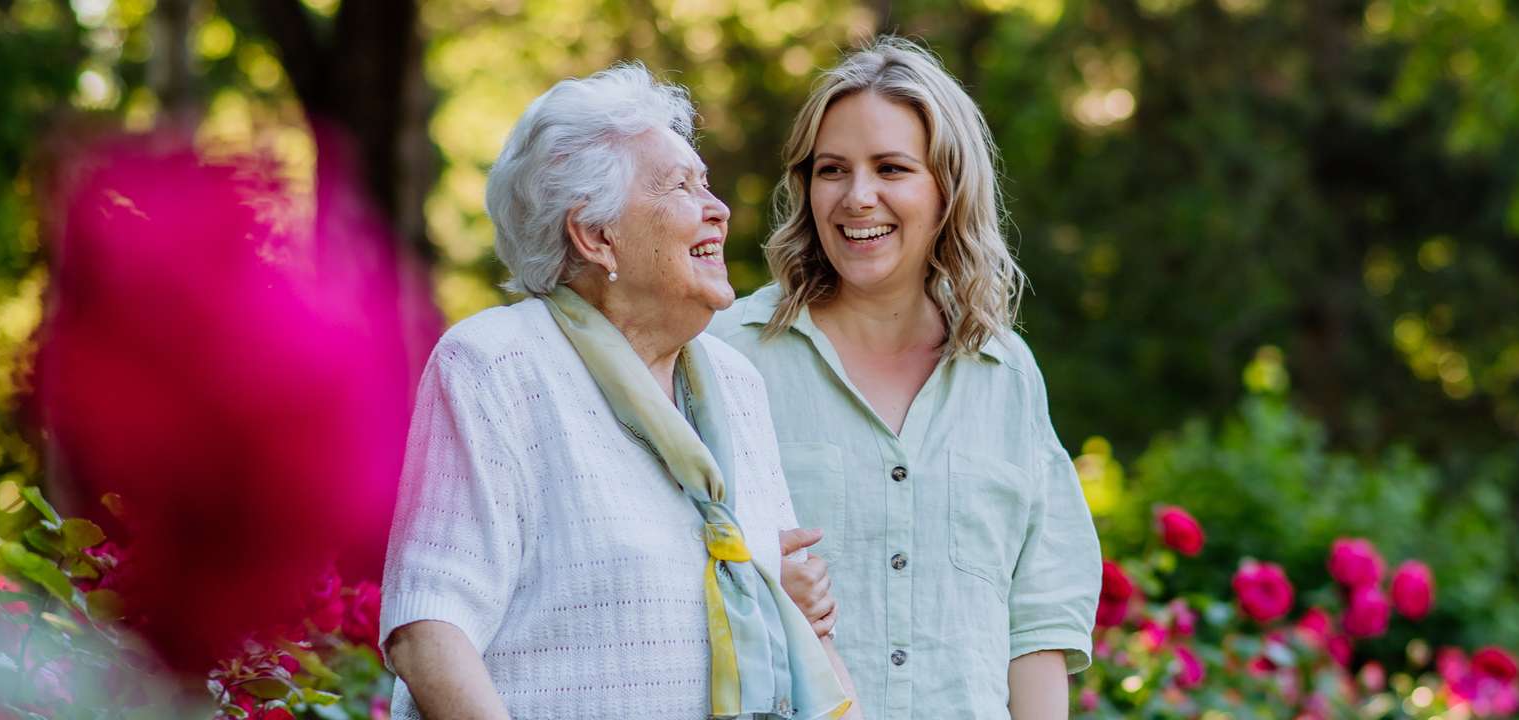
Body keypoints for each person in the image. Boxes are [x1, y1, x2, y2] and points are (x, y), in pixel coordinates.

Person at [379, 62, 856, 720]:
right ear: (596, 235)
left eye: (707, 184)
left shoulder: (735, 383)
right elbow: (428, 632)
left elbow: (798, 627)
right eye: (683, 188)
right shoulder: (497, 365)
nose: (718, 210)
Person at [710, 37, 1100, 719]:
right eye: (832, 170)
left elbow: (1038, 622)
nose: (858, 197)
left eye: (891, 168)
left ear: (947, 188)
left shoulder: (1004, 375)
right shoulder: (728, 359)